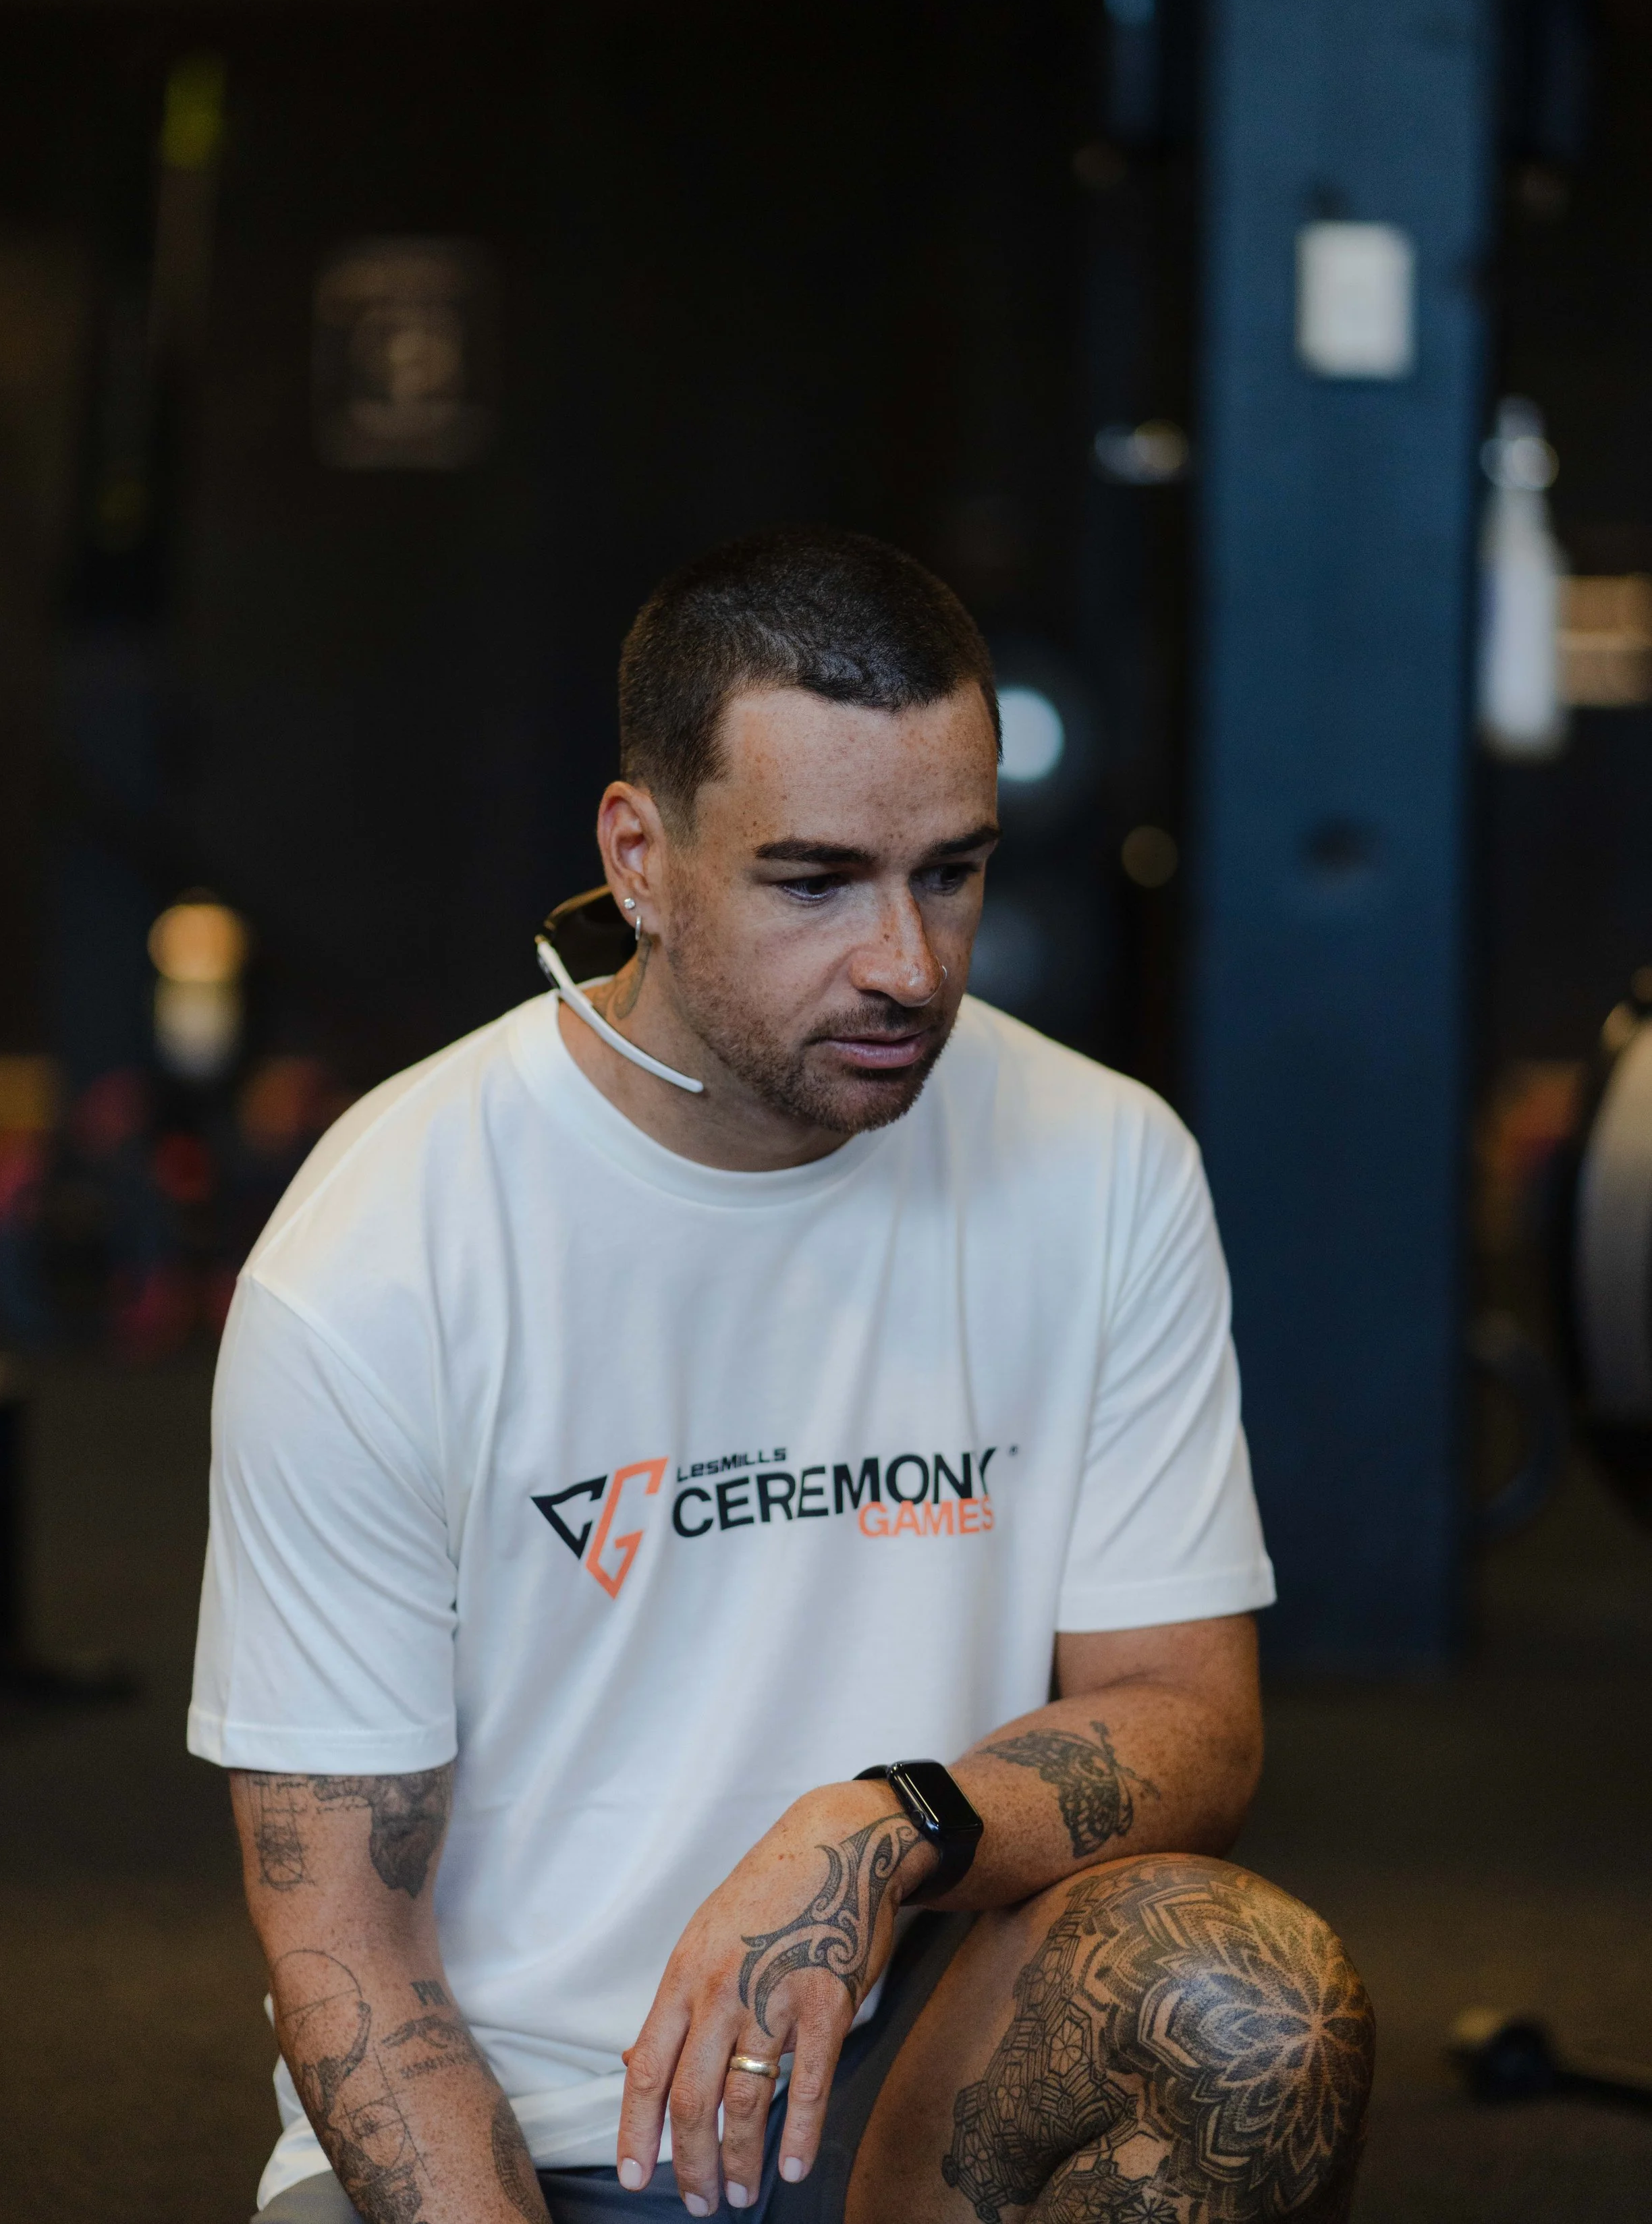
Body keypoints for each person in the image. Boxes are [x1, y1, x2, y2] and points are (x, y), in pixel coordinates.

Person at [190, 529, 1373, 2224]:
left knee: (1249, 2009)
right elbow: (346, 1961)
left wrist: (881, 1826)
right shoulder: (383, 1253)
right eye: (813, 881)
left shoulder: (1102, 1163)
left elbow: (1188, 1715)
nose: (906, 963)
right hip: (502, 2131)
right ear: (641, 857)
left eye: (949, 872)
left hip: (900, 2104)